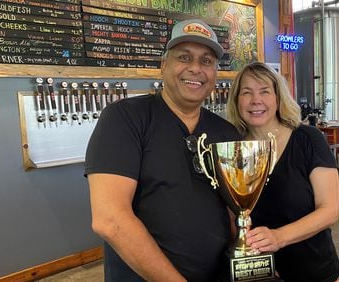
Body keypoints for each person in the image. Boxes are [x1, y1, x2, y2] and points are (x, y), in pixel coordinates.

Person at [84, 19, 241, 281]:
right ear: (163, 66)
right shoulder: (126, 119)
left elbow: (234, 212)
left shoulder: (226, 132)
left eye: (206, 61)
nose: (195, 69)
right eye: (184, 57)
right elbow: (109, 219)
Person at [226, 62, 339, 281]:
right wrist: (252, 261)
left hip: (313, 271)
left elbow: (329, 210)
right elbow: (232, 217)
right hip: (259, 274)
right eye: (246, 92)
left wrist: (278, 237)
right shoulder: (232, 148)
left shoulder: (307, 139)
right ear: (236, 100)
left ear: (278, 98)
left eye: (265, 92)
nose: (255, 100)